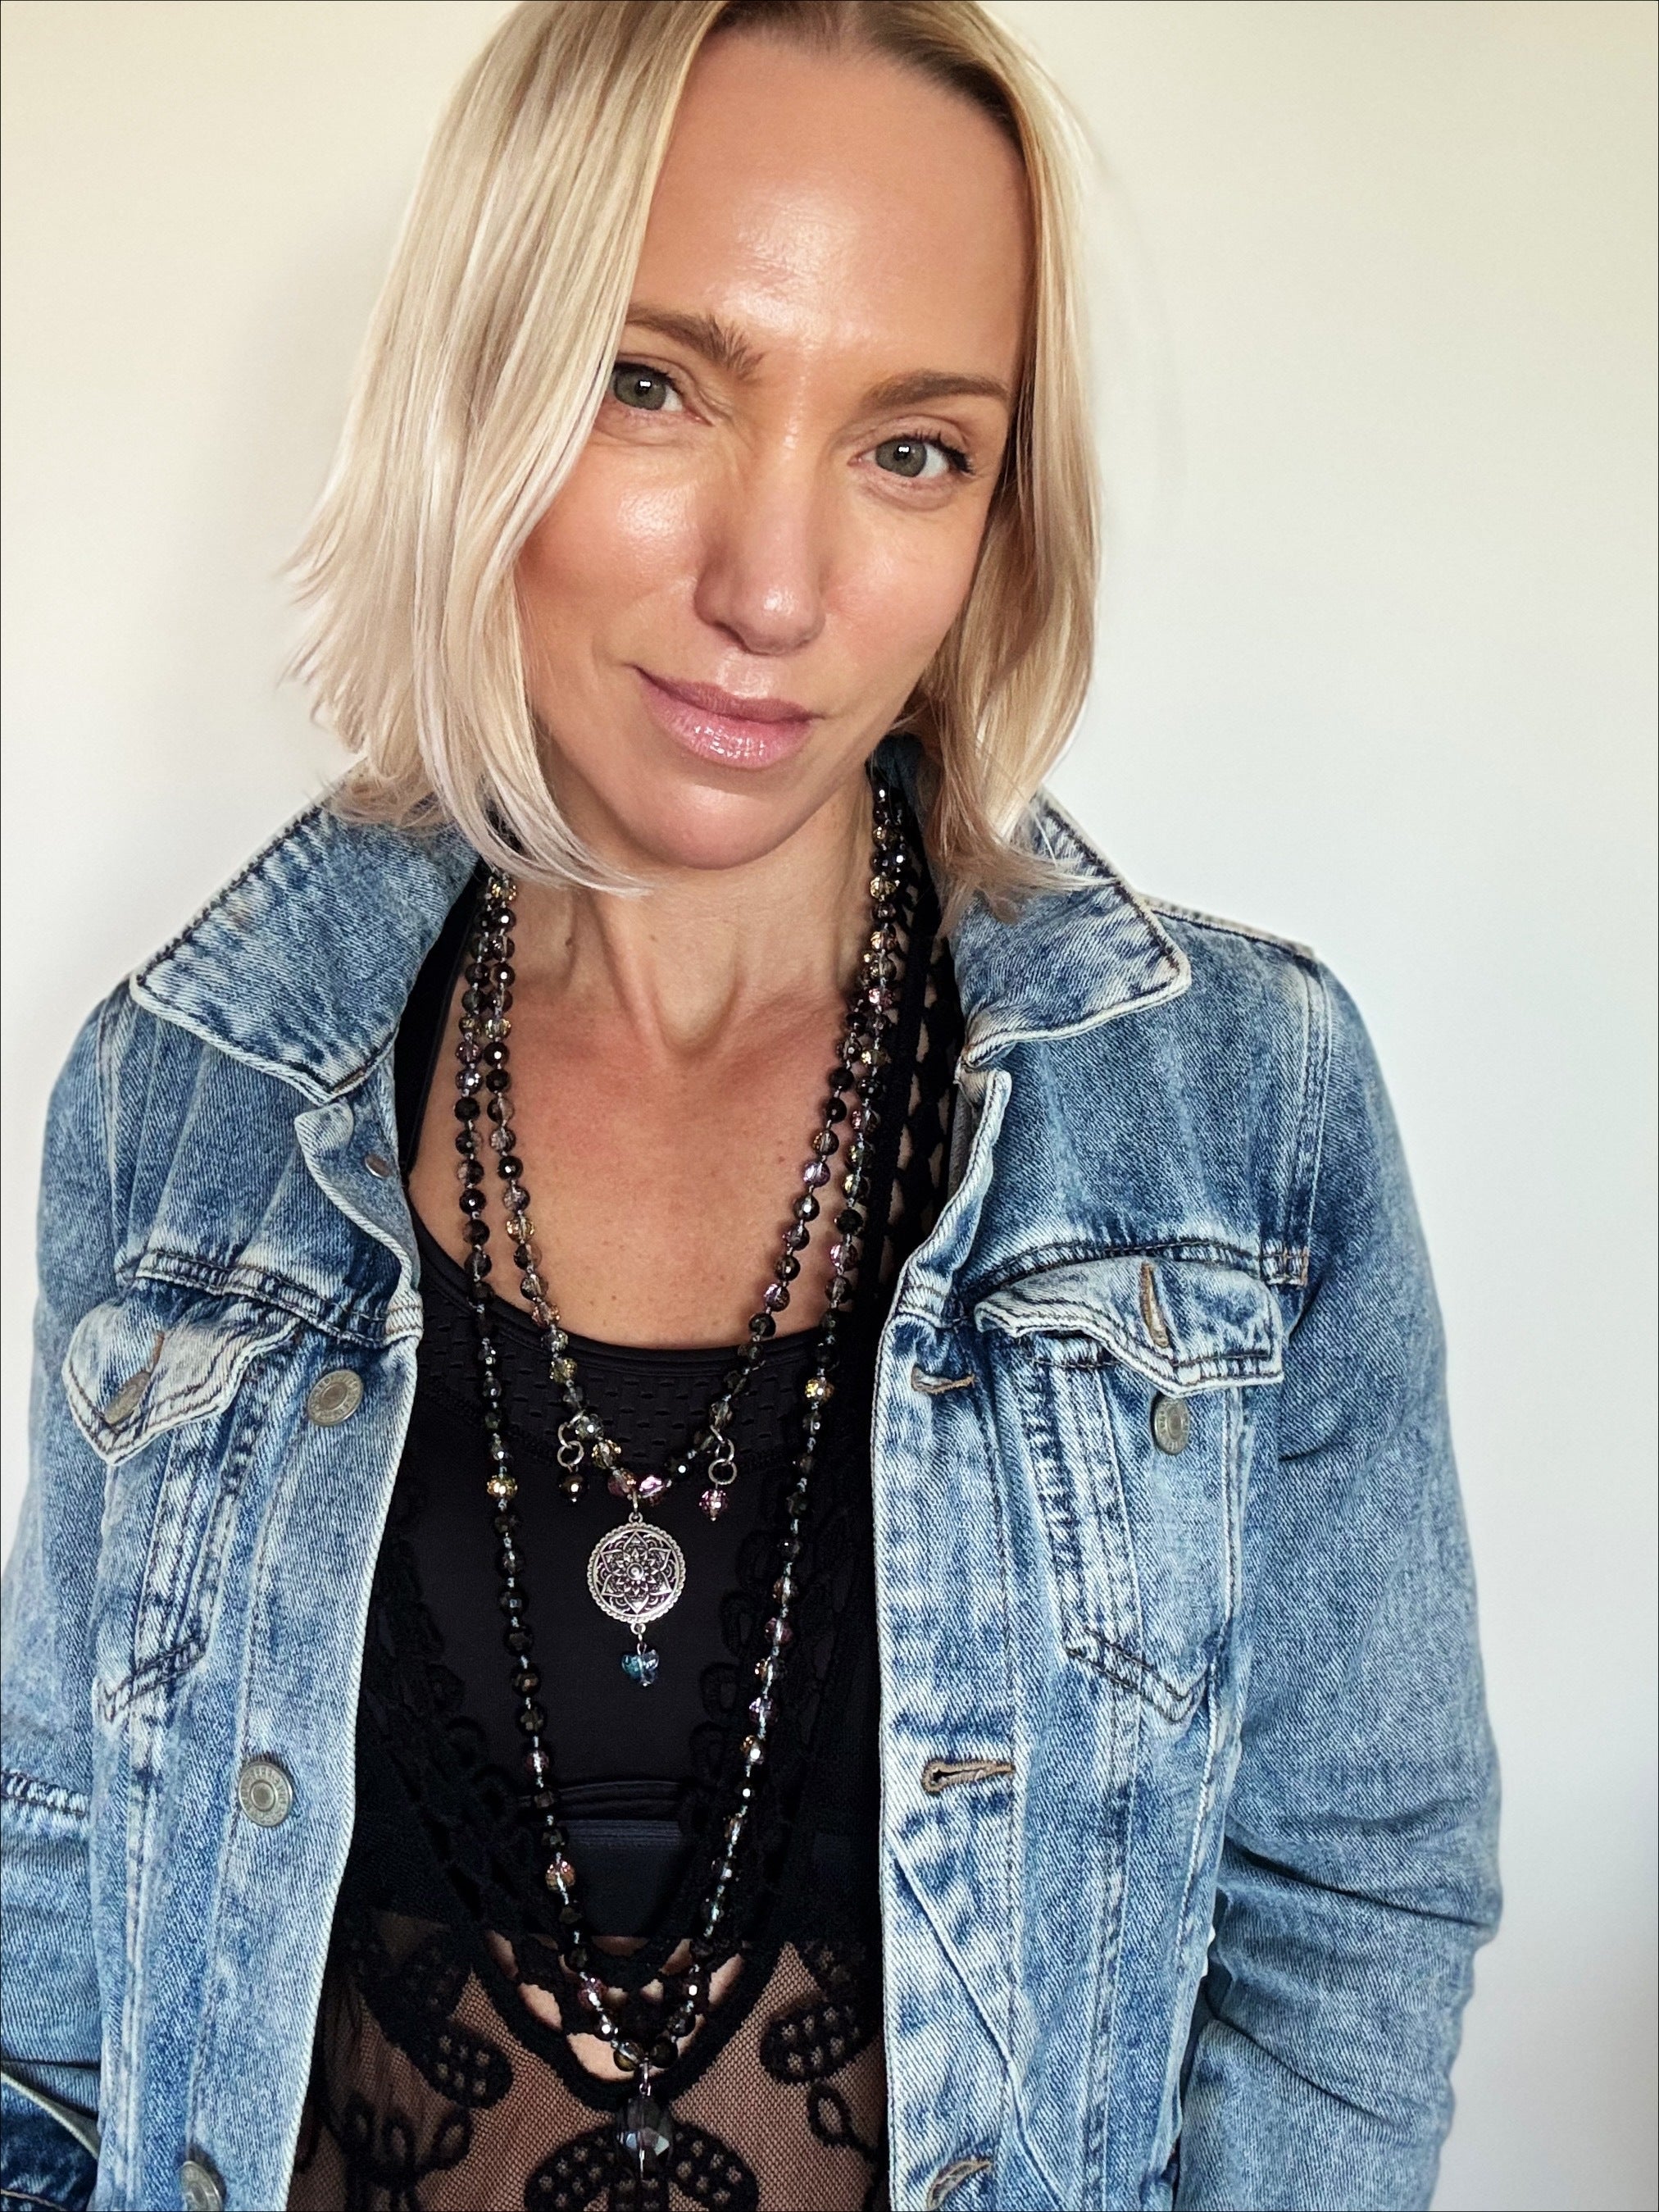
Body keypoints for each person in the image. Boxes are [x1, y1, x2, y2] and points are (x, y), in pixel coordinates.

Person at [0, 4, 1501, 2208]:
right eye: (655, 384)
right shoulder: (186, 1100)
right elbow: (53, 1934)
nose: (774, 593)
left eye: (915, 449)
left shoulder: (1234, 1114)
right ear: (480, 391)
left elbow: (1352, 1905)